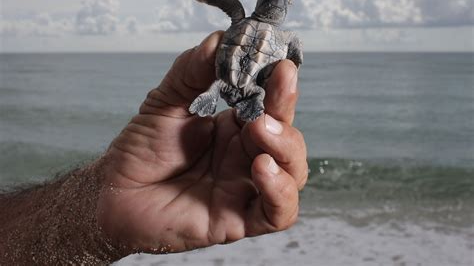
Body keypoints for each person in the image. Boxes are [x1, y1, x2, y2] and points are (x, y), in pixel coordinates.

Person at [0, 31, 308, 265]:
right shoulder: (268, 31)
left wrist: (97, 210)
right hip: (231, 85)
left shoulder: (279, 35)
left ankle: (243, 102)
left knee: (260, 106)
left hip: (240, 87)